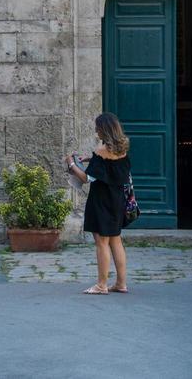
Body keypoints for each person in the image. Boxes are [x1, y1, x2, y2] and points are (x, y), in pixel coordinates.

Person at [65, 112, 132, 295]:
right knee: (116, 240)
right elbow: (110, 168)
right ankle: (121, 283)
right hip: (118, 200)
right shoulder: (123, 149)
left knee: (101, 242)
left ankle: (102, 285)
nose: (96, 131)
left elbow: (87, 178)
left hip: (102, 201)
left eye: (98, 128)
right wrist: (90, 159)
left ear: (104, 130)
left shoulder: (101, 152)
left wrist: (72, 164)